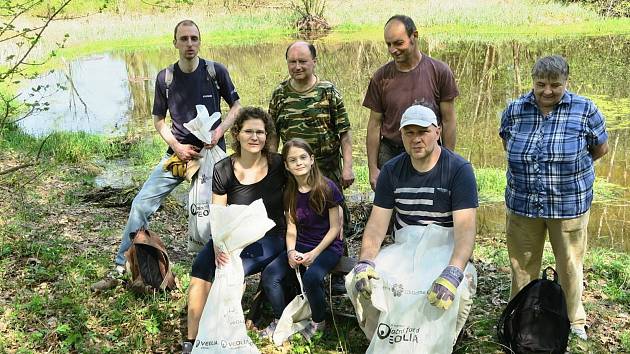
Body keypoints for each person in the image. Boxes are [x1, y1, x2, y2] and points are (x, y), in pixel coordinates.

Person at [92, 19, 241, 287]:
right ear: (175, 43)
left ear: (200, 41)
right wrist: (177, 147)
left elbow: (237, 106)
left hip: (212, 156)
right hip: (179, 156)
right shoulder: (166, 77)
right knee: (141, 203)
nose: (189, 44)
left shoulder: (214, 71)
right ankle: (120, 267)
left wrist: (220, 132)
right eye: (183, 39)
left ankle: (224, 271)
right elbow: (159, 120)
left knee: (217, 213)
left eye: (194, 38)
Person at [499, 55, 608, 341]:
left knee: (570, 264)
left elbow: (600, 149)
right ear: (533, 82)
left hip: (568, 205)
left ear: (566, 83)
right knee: (522, 266)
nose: (547, 91)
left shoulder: (585, 110)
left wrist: (568, 170)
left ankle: (574, 320)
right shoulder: (514, 110)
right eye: (541, 84)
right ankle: (521, 316)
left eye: (555, 85)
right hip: (523, 203)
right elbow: (508, 144)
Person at [352, 104, 478, 344]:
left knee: (457, 287)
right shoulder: (391, 170)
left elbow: (465, 231)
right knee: (360, 281)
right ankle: (383, 339)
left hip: (444, 246)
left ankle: (438, 342)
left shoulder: (458, 170)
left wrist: (453, 270)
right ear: (401, 135)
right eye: (409, 133)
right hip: (404, 246)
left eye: (423, 132)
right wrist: (365, 260)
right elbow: (377, 226)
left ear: (438, 132)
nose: (416, 139)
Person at [182, 107, 287, 353]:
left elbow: (302, 191)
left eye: (260, 132)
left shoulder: (279, 164)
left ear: (267, 136)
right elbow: (217, 215)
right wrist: (218, 246)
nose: (254, 137)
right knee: (202, 265)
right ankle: (192, 339)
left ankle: (227, 335)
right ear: (237, 134)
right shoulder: (223, 168)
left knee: (232, 268)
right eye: (248, 131)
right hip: (231, 235)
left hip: (269, 236)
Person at [268, 40, 353, 293]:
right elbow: (272, 135)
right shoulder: (280, 94)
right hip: (293, 172)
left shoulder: (328, 92)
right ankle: (297, 267)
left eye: (302, 61)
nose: (297, 66)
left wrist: (347, 167)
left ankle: (336, 273)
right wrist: (272, 166)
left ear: (314, 62)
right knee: (297, 219)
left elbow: (345, 135)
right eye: (292, 62)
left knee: (336, 220)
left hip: (327, 168)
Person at [259, 138, 344, 341]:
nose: (299, 163)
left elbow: (335, 228)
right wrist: (290, 251)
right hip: (301, 243)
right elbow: (291, 228)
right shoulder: (289, 192)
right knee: (270, 274)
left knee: (312, 278)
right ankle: (282, 320)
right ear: (287, 166)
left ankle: (318, 322)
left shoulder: (327, 187)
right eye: (293, 160)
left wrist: (314, 254)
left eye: (303, 157)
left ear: (312, 159)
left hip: (328, 246)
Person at [363, 15, 459, 191]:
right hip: (390, 152)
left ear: (414, 36)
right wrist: (372, 169)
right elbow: (374, 125)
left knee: (427, 205)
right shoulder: (381, 77)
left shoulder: (439, 72)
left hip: (428, 149)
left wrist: (448, 160)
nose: (393, 50)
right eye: (388, 44)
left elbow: (448, 120)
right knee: (390, 208)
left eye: (398, 43)